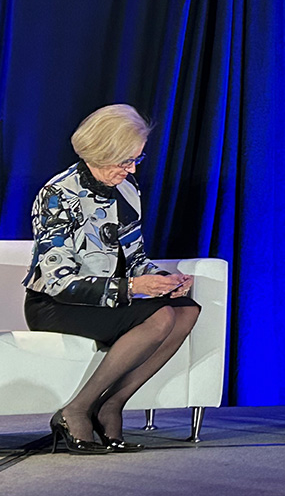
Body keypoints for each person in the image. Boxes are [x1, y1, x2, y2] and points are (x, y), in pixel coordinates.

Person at [23, 104, 200, 454]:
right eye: (125, 161)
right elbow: (58, 280)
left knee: (185, 310)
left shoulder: (127, 189)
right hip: (55, 305)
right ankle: (76, 410)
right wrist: (132, 288)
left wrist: (162, 280)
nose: (132, 169)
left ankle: (111, 405)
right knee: (161, 317)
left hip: (108, 299)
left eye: (136, 159)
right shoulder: (58, 194)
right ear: (101, 152)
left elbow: (135, 259)